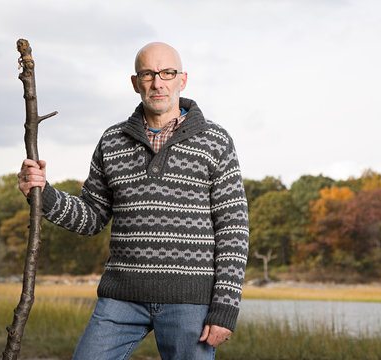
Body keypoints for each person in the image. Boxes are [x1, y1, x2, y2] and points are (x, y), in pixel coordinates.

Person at [18, 42, 249, 360]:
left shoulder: (216, 141)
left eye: (167, 73)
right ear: (135, 82)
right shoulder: (112, 142)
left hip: (190, 300)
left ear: (182, 80)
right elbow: (91, 217)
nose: (158, 82)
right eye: (148, 74)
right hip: (121, 297)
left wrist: (225, 308)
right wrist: (41, 193)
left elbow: (233, 230)